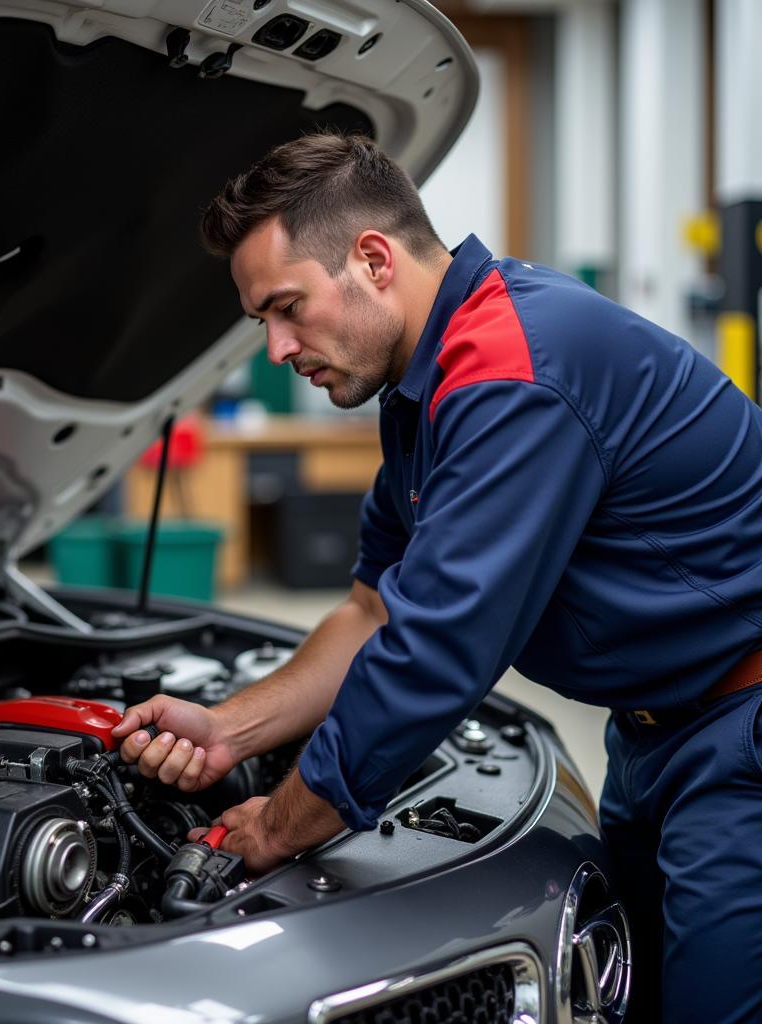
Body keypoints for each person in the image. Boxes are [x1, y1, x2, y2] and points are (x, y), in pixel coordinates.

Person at [112, 133, 762, 1022]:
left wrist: (274, 824)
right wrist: (233, 727)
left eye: (288, 307)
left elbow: (436, 654)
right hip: (655, 734)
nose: (275, 347)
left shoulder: (513, 371)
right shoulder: (428, 383)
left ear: (373, 260)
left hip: (742, 734)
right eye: (262, 320)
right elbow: (375, 605)